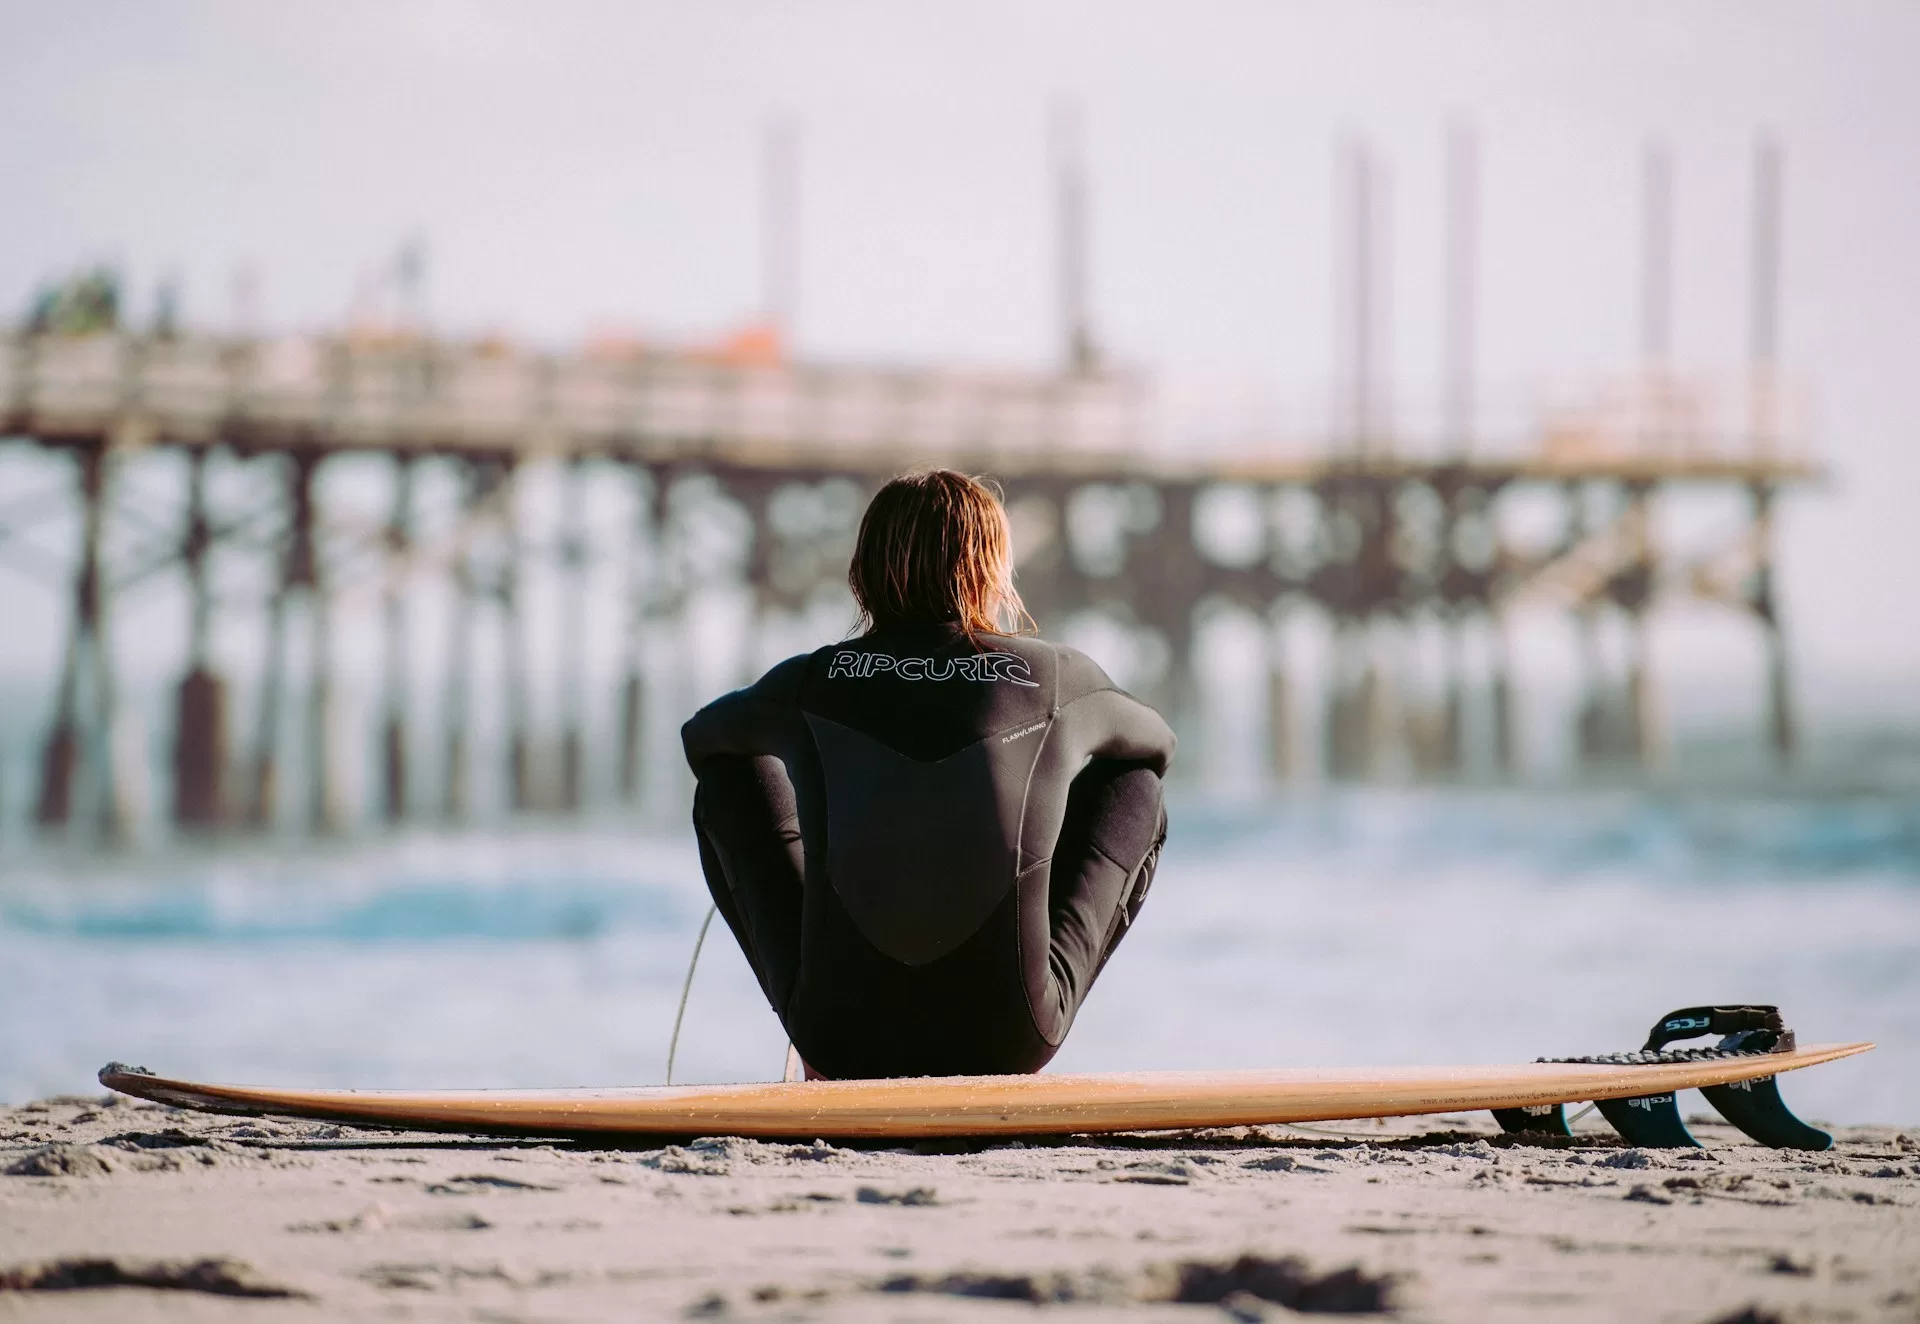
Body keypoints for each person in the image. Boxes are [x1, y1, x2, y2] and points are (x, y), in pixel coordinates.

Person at [681, 470, 1174, 1080]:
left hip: (840, 1036)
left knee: (726, 784)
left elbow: (703, 740)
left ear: (863, 571)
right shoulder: (1051, 677)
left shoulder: (812, 681)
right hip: (1008, 1039)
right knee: (1135, 786)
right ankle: (1022, 983)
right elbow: (1156, 745)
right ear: (990, 569)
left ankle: (813, 1033)